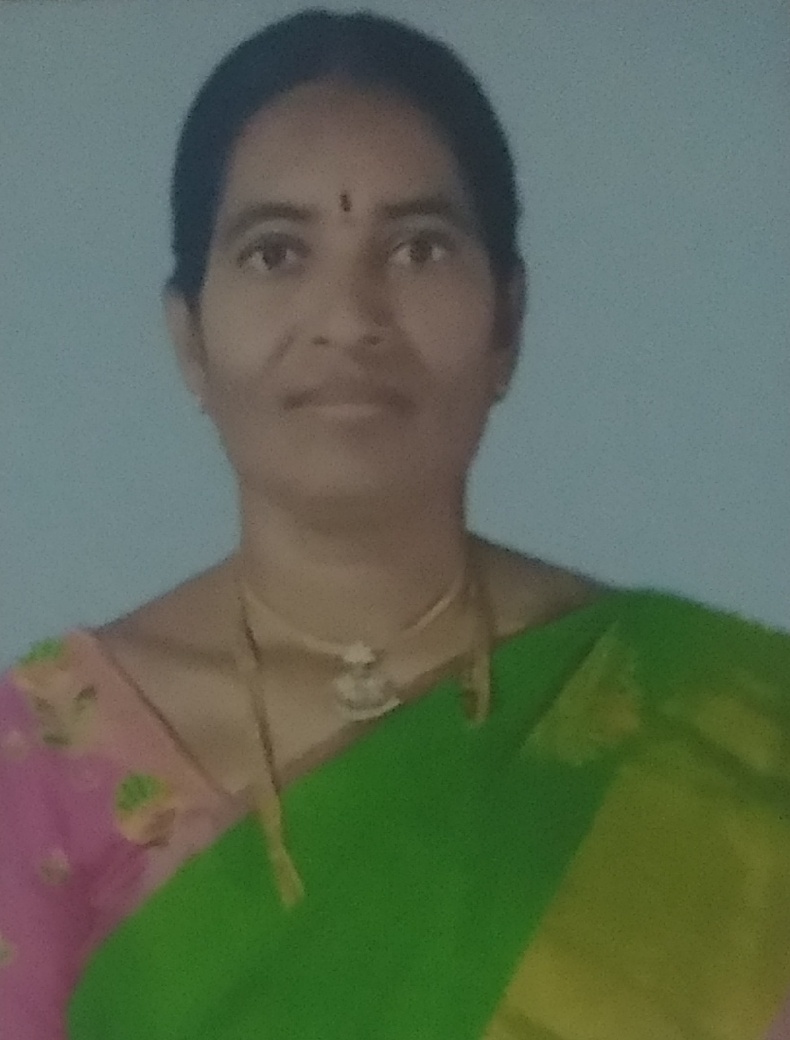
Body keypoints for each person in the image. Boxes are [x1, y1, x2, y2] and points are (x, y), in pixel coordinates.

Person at [1, 9, 789, 1039]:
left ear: (508, 323)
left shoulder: (712, 723)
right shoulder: (43, 764)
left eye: (419, 248)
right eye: (276, 253)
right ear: (189, 337)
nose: (350, 318)